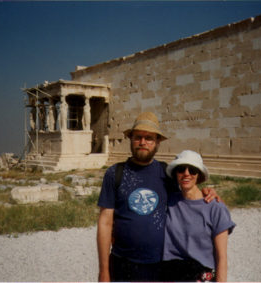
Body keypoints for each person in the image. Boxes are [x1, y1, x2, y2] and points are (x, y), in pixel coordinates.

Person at [97, 112, 219, 282]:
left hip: (160, 265)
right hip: (122, 264)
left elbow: (187, 201)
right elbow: (105, 222)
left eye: (149, 138)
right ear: (131, 138)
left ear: (157, 142)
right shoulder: (114, 173)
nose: (143, 142)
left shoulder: (166, 173)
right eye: (138, 137)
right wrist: (103, 271)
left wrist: (208, 193)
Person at [162, 150, 235, 282]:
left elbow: (221, 256)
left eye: (192, 170)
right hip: (171, 274)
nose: (186, 174)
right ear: (175, 174)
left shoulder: (215, 207)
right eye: (181, 169)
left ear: (199, 175)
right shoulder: (169, 201)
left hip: (200, 276)